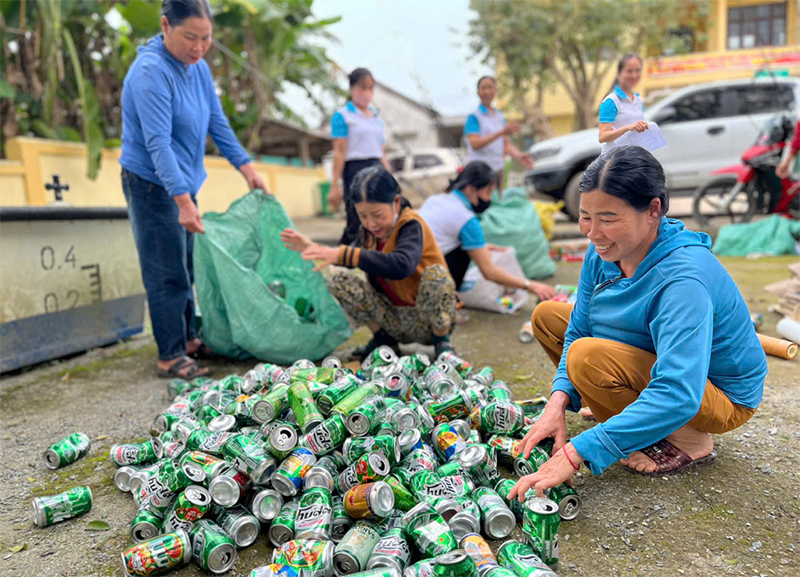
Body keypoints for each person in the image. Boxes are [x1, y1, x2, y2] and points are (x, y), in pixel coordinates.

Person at [508, 146, 767, 501]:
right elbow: (578, 327)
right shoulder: (603, 251)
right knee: (547, 317)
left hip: (715, 393)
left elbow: (679, 390)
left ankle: (689, 439)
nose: (593, 233)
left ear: (653, 210)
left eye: (609, 218)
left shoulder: (683, 280)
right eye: (586, 216)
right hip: (657, 355)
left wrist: (577, 452)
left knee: (587, 357)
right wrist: (557, 404)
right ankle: (629, 414)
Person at [120, 0, 267, 379]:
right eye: (190, 37)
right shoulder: (151, 72)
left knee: (186, 265)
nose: (199, 47)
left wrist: (247, 168)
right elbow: (158, 144)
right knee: (165, 268)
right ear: (165, 26)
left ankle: (186, 339)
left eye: (206, 39)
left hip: (182, 180)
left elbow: (217, 122)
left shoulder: (196, 68)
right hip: (152, 184)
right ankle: (170, 354)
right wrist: (182, 201)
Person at [280, 166, 458, 358]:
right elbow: (346, 259)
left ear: (396, 203)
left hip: (427, 320)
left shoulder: (411, 225)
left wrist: (345, 254)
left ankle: (442, 341)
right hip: (393, 320)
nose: (371, 223)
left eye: (377, 215)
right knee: (339, 279)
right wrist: (312, 247)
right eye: (363, 216)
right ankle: (384, 339)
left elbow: (401, 265)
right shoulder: (369, 233)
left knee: (437, 276)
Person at [418, 161, 555, 304]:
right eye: (488, 192)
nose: (489, 199)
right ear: (470, 189)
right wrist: (532, 285)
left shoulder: (435, 200)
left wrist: (483, 248)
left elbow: (439, 240)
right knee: (466, 255)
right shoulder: (466, 219)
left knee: (470, 249)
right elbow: (489, 272)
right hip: (429, 282)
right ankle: (445, 302)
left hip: (415, 273)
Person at [329, 68, 391, 245]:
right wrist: (335, 185)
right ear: (352, 89)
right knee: (357, 218)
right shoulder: (343, 115)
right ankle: (344, 259)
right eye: (362, 88)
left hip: (377, 168)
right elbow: (339, 152)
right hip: (355, 170)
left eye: (371, 88)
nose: (367, 93)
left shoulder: (376, 118)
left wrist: (389, 176)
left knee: (381, 217)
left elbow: (382, 151)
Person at [465, 76, 534, 186]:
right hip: (479, 171)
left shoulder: (500, 116)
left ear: (495, 91)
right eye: (483, 88)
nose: (487, 91)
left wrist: (519, 155)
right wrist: (501, 132)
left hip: (497, 169)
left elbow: (505, 145)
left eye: (490, 87)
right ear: (478, 92)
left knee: (497, 200)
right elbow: (475, 144)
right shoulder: (474, 117)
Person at [598, 54, 649, 152]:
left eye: (637, 70)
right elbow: (602, 136)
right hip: (615, 160)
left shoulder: (638, 100)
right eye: (629, 71)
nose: (634, 75)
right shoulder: (611, 101)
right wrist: (627, 128)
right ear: (619, 73)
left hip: (634, 158)